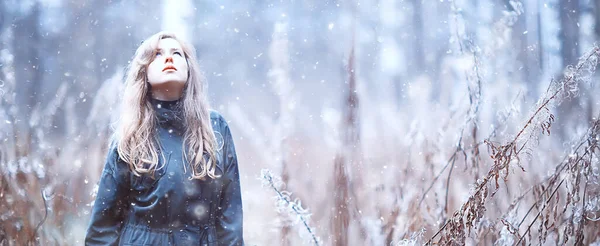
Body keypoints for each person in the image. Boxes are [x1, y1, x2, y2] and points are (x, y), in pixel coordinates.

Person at [85, 31, 244, 245]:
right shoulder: (129, 135)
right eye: (157, 54)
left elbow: (230, 216)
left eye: (177, 53)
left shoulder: (215, 127)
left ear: (189, 68)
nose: (169, 58)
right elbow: (104, 225)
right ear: (144, 72)